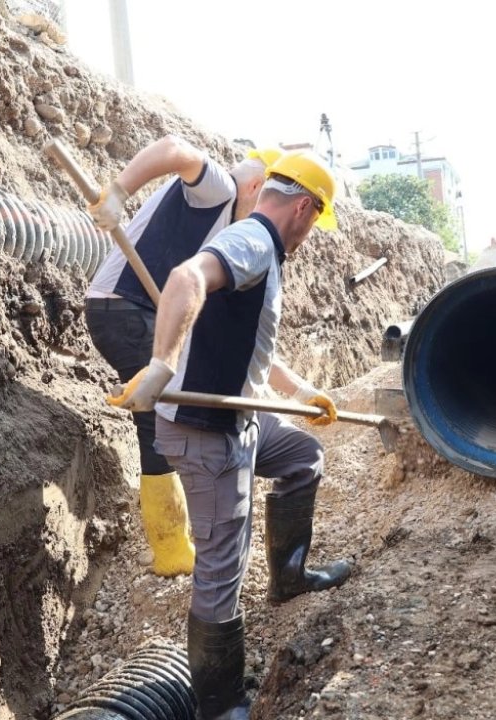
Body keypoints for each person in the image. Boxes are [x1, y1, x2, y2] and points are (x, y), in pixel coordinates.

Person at [108, 150, 347, 720]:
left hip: (238, 420)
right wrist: (162, 364)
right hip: (208, 434)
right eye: (315, 222)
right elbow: (185, 277)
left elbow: (255, 345)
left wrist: (303, 393)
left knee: (302, 454)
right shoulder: (254, 241)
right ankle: (219, 704)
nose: (311, 234)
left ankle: (288, 576)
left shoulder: (260, 249)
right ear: (305, 210)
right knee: (222, 567)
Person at [84, 134, 281, 577]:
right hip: (123, 307)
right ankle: (171, 547)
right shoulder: (220, 190)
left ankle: (177, 538)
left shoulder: (224, 232)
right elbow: (175, 148)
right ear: (256, 187)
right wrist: (118, 191)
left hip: (133, 310)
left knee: (163, 412)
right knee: (158, 420)